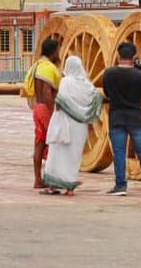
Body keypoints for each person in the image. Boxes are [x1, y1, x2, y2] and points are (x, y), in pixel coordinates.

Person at [102, 41, 141, 196]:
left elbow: (107, 94)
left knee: (119, 153)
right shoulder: (139, 76)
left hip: (117, 118)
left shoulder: (109, 74)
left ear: (118, 56)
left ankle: (120, 186)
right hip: (135, 118)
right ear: (133, 57)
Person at [41, 55, 103, 196]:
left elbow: (60, 104)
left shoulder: (66, 82)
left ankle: (52, 186)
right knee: (74, 157)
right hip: (80, 126)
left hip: (65, 123)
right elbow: (96, 98)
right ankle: (70, 188)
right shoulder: (87, 85)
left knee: (57, 154)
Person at [25, 37, 62, 189]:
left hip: (37, 108)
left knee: (39, 144)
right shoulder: (47, 67)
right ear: (53, 52)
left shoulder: (36, 65)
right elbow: (47, 92)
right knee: (54, 143)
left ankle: (37, 180)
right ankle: (53, 180)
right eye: (58, 51)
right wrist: (53, 112)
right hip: (45, 109)